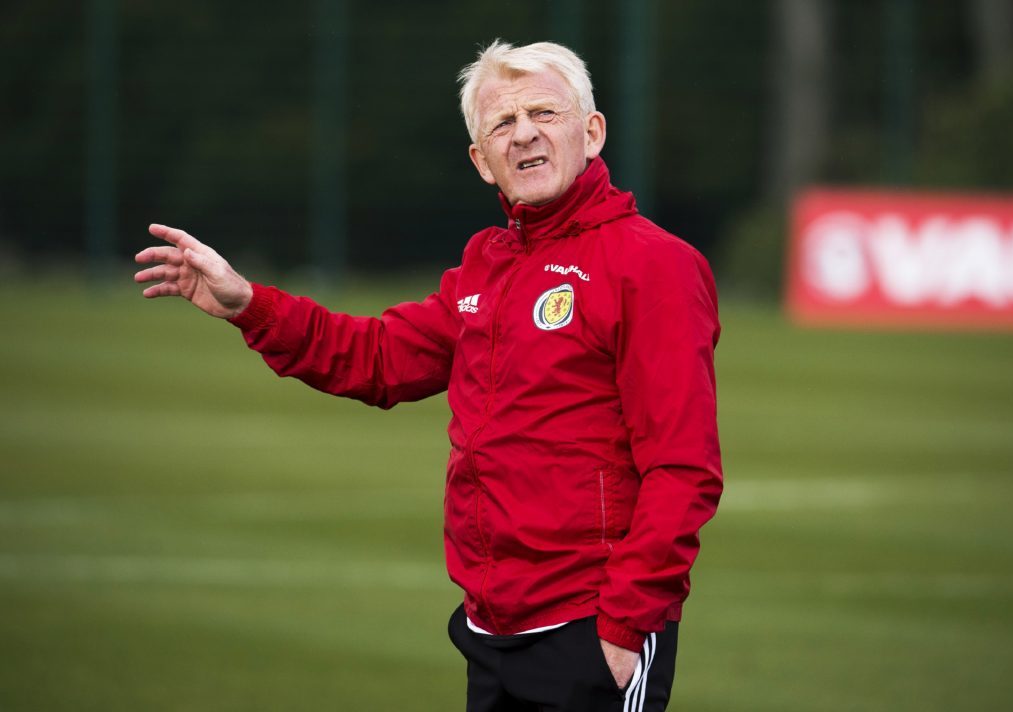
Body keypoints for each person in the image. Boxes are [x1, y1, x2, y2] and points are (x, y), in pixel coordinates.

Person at [135, 39, 722, 712]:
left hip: (591, 628)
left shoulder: (653, 265)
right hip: (490, 628)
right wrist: (250, 304)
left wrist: (625, 624)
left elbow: (683, 466)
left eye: (544, 112)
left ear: (591, 132)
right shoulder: (488, 264)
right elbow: (379, 357)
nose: (524, 133)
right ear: (482, 161)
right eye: (502, 123)